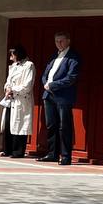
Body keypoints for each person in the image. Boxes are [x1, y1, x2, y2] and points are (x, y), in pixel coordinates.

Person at [40, 32, 80, 165]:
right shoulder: (54, 56)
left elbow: (71, 78)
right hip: (48, 95)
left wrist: (52, 85)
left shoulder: (73, 57)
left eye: (61, 41)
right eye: (56, 41)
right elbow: (46, 74)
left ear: (68, 41)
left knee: (64, 126)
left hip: (63, 97)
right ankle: (52, 154)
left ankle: (66, 156)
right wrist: (46, 82)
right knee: (51, 125)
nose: (59, 44)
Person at [1, 45, 35, 159]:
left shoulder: (28, 66)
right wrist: (7, 88)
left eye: (12, 55)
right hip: (11, 99)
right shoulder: (14, 66)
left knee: (19, 125)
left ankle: (18, 151)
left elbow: (27, 85)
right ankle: (7, 149)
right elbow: (8, 81)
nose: (11, 58)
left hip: (21, 99)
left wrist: (13, 90)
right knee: (8, 124)